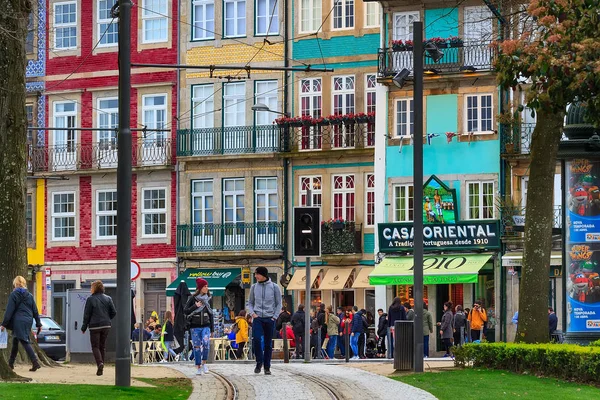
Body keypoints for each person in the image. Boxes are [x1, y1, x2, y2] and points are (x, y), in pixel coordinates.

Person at [0, 276, 42, 372]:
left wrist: (4, 324)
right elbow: (35, 310)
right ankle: (11, 364)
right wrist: (38, 324)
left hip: (18, 321)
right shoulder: (30, 295)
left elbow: (9, 311)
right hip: (28, 320)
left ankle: (35, 362)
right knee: (16, 340)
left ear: (15, 284)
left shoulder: (14, 295)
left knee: (24, 341)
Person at [246, 266, 282, 375]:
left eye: (258, 274)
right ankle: (258, 363)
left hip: (270, 318)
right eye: (255, 274)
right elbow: (250, 302)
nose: (256, 276)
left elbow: (279, 303)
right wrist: (252, 313)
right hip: (258, 318)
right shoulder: (253, 287)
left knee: (268, 343)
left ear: (264, 275)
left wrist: (274, 317)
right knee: (256, 339)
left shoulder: (274, 287)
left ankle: (267, 367)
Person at [81, 280, 117, 376]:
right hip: (106, 325)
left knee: (95, 346)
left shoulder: (90, 299)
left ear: (94, 288)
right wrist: (107, 318)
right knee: (102, 346)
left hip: (95, 326)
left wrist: (83, 327)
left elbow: (87, 315)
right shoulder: (108, 298)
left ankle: (100, 363)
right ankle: (102, 365)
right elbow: (114, 312)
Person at [185, 278, 214, 376]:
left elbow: (211, 314)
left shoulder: (209, 299)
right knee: (196, 347)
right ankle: (198, 366)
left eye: (207, 286)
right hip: (194, 326)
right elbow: (185, 311)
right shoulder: (192, 298)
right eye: (205, 286)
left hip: (206, 326)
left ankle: (204, 363)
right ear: (200, 288)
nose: (207, 288)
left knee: (206, 344)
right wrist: (195, 306)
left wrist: (212, 328)